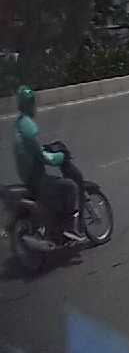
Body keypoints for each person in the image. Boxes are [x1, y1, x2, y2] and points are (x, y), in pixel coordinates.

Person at [12, 86, 84, 244]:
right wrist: (59, 156)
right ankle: (68, 228)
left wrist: (44, 149)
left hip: (27, 176)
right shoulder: (28, 126)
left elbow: (32, 149)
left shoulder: (19, 123)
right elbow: (43, 157)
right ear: (31, 104)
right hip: (37, 178)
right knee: (70, 186)